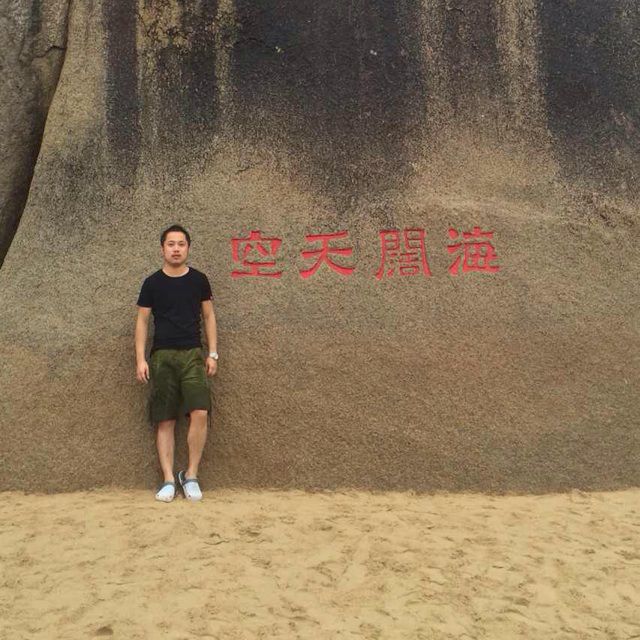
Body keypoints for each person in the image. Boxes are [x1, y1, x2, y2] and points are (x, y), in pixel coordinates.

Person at [135, 224, 218, 502]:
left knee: (200, 411)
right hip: (162, 356)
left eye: (181, 244)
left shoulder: (199, 280)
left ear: (188, 248)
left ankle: (190, 475)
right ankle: (169, 479)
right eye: (170, 244)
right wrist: (140, 359)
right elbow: (142, 321)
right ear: (162, 249)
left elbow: (209, 316)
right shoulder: (152, 283)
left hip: (193, 354)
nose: (176, 249)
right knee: (165, 418)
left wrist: (213, 353)